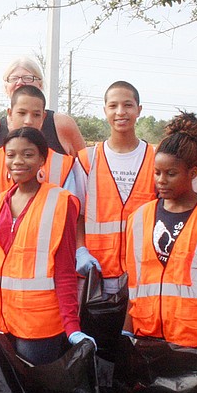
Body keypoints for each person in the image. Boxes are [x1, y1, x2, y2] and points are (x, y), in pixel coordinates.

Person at [0, 127, 91, 363]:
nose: (18, 161)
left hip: (41, 330)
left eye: (28, 154)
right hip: (3, 323)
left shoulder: (61, 203)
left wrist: (72, 327)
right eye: (11, 155)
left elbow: (64, 272)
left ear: (42, 158)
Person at [124, 113, 197, 350]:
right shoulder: (139, 218)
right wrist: (127, 329)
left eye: (171, 174)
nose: (161, 180)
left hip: (192, 340)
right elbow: (135, 282)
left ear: (192, 173)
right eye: (157, 173)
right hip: (145, 336)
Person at [76, 81, 157, 295]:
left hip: (144, 274)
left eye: (128, 105)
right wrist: (80, 250)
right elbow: (77, 215)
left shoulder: (155, 158)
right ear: (105, 111)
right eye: (113, 106)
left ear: (139, 110)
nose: (120, 112)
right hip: (97, 276)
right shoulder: (87, 160)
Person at [0, 85, 84, 205]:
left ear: (43, 117)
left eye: (36, 115)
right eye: (22, 113)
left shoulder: (62, 166)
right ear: (10, 113)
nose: (28, 121)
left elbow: (69, 212)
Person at [0, 57, 85, 157]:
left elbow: (85, 167)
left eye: (28, 78)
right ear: (6, 87)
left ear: (40, 85)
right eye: (14, 78)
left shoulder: (63, 125)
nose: (20, 82)